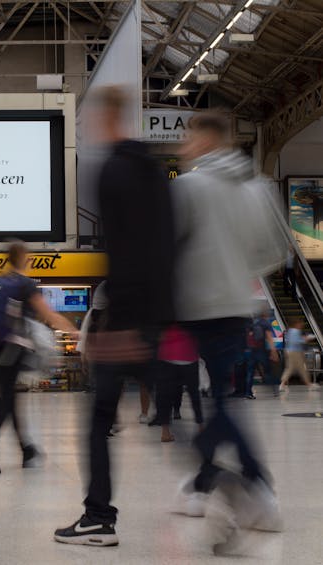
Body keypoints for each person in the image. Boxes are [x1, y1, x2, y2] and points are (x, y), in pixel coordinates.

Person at [54, 86, 175, 547]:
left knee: (98, 420)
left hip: (124, 317)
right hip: (156, 318)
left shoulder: (112, 171)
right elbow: (166, 246)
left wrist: (115, 321)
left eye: (88, 122)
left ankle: (99, 518)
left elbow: (122, 252)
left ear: (108, 120)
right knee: (168, 416)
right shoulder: (155, 170)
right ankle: (225, 483)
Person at [169, 112, 283, 544]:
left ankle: (240, 485)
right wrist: (237, 271)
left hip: (197, 306)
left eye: (188, 136)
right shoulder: (257, 188)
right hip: (237, 306)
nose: (184, 144)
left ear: (204, 140)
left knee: (197, 403)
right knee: (222, 400)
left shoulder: (188, 187)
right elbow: (273, 251)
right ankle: (227, 485)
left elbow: (170, 248)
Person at [0, 241, 76, 475]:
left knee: (10, 399)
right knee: (6, 402)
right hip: (12, 350)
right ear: (24, 259)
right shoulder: (25, 284)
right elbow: (47, 314)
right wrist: (73, 330)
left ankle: (26, 449)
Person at [152, 324, 202, 442]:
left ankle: (165, 432)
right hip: (188, 353)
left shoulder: (165, 309)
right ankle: (201, 428)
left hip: (167, 353)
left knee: (165, 395)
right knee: (194, 394)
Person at [279, 319, 318, 392]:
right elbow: (296, 341)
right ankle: (309, 385)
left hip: (289, 351)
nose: (302, 325)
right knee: (301, 369)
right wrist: (306, 339)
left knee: (290, 368)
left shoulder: (289, 331)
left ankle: (282, 384)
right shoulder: (295, 331)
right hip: (295, 352)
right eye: (300, 323)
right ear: (296, 324)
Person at [246, 312, 279, 399]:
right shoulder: (266, 323)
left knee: (250, 372)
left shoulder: (254, 323)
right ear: (265, 315)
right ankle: (275, 389)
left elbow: (249, 336)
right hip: (261, 351)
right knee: (268, 370)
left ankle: (248, 393)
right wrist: (273, 351)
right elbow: (269, 338)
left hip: (252, 350)